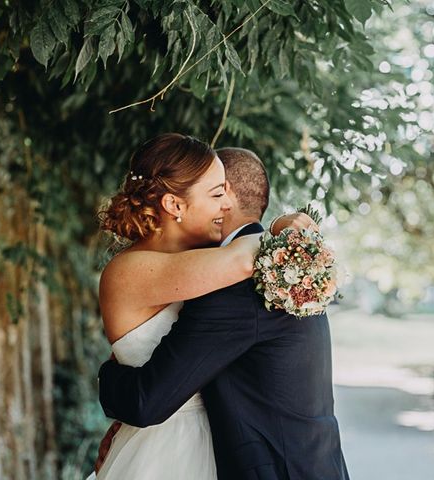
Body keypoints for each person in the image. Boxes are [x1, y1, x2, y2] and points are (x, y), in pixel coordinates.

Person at [97, 146, 351, 479]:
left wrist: (111, 381)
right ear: (174, 204)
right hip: (171, 451)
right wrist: (283, 227)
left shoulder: (226, 275)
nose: (226, 203)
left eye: (225, 192)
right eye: (217, 193)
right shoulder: (235, 269)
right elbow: (241, 259)